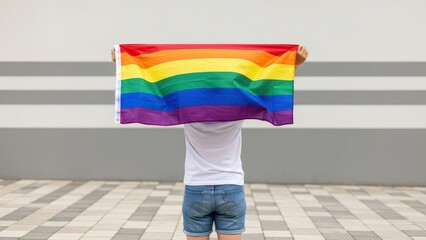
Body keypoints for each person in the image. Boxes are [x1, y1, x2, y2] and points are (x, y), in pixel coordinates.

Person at [111, 45, 309, 240]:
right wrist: (296, 63)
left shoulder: (187, 106)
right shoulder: (238, 104)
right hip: (230, 186)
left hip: (197, 186)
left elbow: (157, 84)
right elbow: (266, 85)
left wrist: (122, 62)